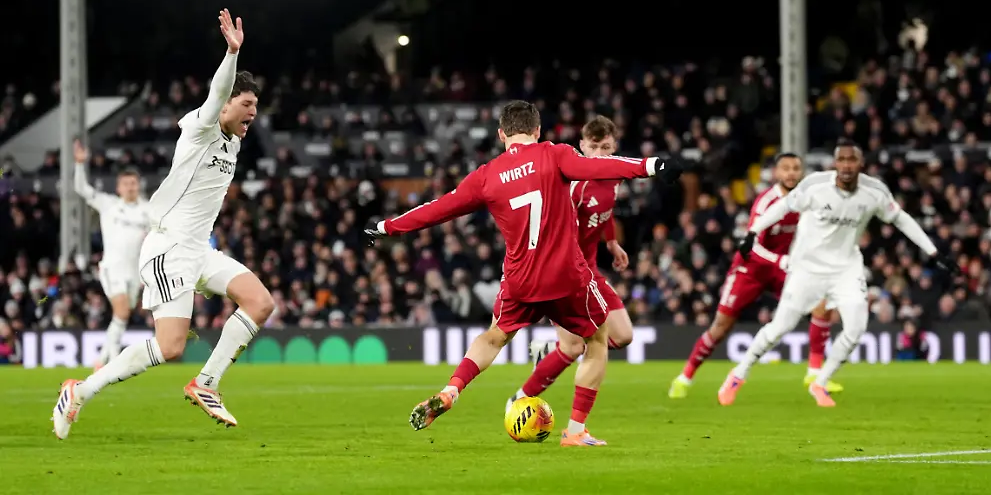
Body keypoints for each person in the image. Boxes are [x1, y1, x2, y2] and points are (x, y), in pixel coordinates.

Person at [364, 100, 683, 446]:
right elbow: (598, 167)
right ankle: (575, 431)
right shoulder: (555, 154)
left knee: (493, 337)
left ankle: (451, 390)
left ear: (502, 134)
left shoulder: (487, 175)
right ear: (537, 130)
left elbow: (438, 209)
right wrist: (652, 165)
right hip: (566, 277)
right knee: (596, 340)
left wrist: (386, 226)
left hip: (520, 280)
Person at [52, 10, 275, 439]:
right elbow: (215, 95)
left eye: (255, 109)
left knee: (261, 303)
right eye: (246, 106)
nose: (252, 115)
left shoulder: (232, 141)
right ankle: (79, 390)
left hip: (198, 250)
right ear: (227, 103)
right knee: (170, 347)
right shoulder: (201, 127)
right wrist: (231, 53)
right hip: (169, 250)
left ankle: (206, 383)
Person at [717, 140, 957, 407]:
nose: (846, 166)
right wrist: (754, 231)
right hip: (808, 267)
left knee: (856, 328)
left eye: (851, 160)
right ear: (834, 164)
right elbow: (784, 206)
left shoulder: (874, 191)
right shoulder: (815, 185)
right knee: (779, 328)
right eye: (841, 160)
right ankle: (738, 374)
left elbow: (900, 219)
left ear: (860, 164)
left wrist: (934, 252)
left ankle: (820, 382)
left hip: (846, 267)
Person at [668, 153, 844, 399]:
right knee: (720, 327)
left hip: (784, 270)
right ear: (776, 173)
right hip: (751, 269)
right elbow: (752, 246)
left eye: (795, 168)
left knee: (822, 304)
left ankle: (814, 373)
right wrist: (781, 261)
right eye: (786, 168)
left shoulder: (807, 201)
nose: (791, 173)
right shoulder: (765, 203)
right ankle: (684, 377)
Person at [504, 116, 634, 413]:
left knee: (623, 336)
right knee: (574, 347)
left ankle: (548, 353)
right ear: (581, 146)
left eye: (607, 148)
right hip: (566, 272)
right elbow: (559, 233)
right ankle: (520, 400)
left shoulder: (613, 175)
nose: (601, 154)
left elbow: (606, 209)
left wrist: (612, 242)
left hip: (590, 270)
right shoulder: (573, 184)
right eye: (594, 147)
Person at [73, 140, 150, 370]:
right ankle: (113, 359)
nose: (130, 187)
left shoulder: (148, 210)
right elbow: (82, 190)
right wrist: (79, 165)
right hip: (112, 268)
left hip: (135, 272)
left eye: (133, 183)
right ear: (118, 187)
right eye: (125, 184)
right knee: (122, 309)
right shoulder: (109, 204)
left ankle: (103, 358)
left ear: (139, 186)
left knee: (124, 315)